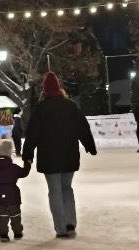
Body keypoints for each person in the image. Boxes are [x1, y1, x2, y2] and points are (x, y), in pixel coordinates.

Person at [22, 72, 96, 239]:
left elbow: (32, 134)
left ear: (44, 90)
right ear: (59, 88)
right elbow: (82, 127)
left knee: (54, 190)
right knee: (67, 188)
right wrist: (89, 146)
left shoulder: (41, 108)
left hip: (49, 158)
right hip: (69, 155)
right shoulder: (70, 105)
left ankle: (61, 228)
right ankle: (70, 223)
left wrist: (27, 155)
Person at [0, 139, 29, 243]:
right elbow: (24, 173)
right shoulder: (12, 167)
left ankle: (3, 235)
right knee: (15, 215)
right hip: (12, 195)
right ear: (9, 153)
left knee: (2, 216)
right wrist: (27, 163)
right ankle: (18, 232)